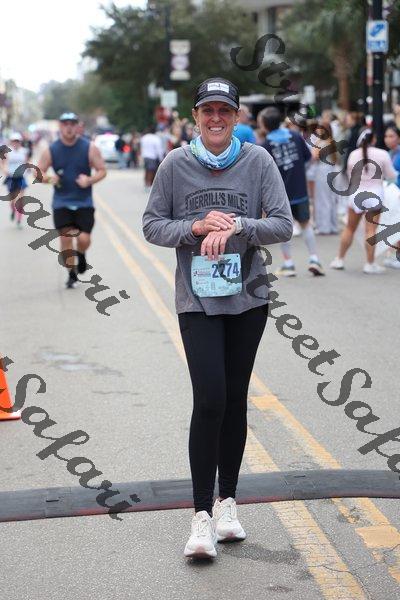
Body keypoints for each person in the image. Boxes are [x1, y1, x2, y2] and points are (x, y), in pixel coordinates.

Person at [143, 77, 292, 560]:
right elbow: (152, 225)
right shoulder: (175, 164)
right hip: (197, 300)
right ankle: (201, 515)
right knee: (209, 399)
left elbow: (283, 224)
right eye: (207, 110)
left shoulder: (258, 160)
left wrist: (239, 225)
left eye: (224, 111)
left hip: (248, 300)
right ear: (195, 116)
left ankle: (228, 504)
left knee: (234, 399)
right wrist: (195, 226)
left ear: (237, 117)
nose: (216, 118)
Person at [38, 112, 107, 288]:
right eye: (65, 124)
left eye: (72, 124)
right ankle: (71, 274)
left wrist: (89, 180)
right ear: (60, 126)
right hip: (61, 202)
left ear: (77, 126)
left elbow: (102, 170)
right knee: (66, 239)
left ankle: (81, 254)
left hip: (84, 202)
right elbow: (38, 173)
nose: (69, 127)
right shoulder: (51, 149)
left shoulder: (89, 147)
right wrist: (49, 179)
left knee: (84, 239)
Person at [258, 106, 325, 276]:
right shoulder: (295, 136)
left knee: (283, 229)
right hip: (300, 189)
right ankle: (314, 259)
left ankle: (288, 264)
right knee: (306, 224)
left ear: (264, 125)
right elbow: (308, 158)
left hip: (280, 195)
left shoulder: (265, 146)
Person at [330, 128, 397, 274]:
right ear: (373, 139)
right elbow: (391, 175)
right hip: (375, 195)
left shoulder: (353, 154)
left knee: (349, 228)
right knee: (371, 230)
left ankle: (339, 259)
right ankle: (369, 263)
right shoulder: (383, 154)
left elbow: (350, 175)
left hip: (356, 195)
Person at [309, 124, 339, 234]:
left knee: (322, 199)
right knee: (331, 198)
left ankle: (324, 227)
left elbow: (314, 156)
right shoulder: (331, 142)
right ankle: (333, 225)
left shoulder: (321, 143)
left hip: (322, 171)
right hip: (331, 170)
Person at [382, 124, 400, 269]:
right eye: (386, 136)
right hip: (392, 194)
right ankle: (395, 254)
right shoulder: (389, 153)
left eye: (391, 136)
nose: (388, 139)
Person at [2, 132, 29, 228]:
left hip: (21, 177)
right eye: (14, 141)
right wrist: (4, 170)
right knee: (12, 200)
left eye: (17, 141)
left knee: (20, 200)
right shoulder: (7, 151)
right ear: (11, 142)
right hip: (11, 178)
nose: (16, 143)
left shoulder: (24, 151)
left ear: (20, 142)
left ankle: (19, 220)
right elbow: (2, 162)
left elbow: (27, 162)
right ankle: (13, 210)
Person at [140, 125, 164, 190]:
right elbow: (159, 149)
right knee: (151, 171)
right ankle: (149, 184)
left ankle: (146, 183)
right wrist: (161, 158)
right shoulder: (156, 138)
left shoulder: (144, 137)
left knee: (146, 170)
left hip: (145, 156)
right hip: (152, 156)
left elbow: (141, 147)